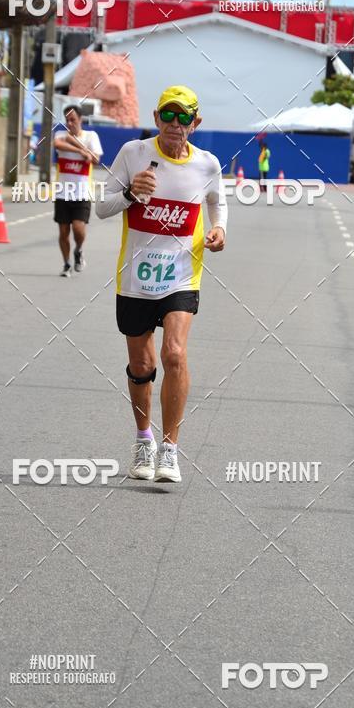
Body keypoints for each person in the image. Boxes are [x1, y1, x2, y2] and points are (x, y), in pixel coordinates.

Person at [96, 85, 227, 486]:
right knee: (143, 365)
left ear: (196, 123)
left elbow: (217, 202)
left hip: (182, 276)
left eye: (184, 117)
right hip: (135, 278)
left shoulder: (207, 164)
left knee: (174, 354)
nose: (175, 124)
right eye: (168, 116)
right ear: (156, 118)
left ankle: (170, 449)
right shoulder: (133, 154)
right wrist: (131, 193)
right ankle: (143, 439)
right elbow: (102, 207)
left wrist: (220, 228)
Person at [53, 105, 103, 276]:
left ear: (80, 119)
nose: (69, 123)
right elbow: (59, 143)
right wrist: (81, 150)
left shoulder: (91, 136)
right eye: (67, 120)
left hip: (82, 193)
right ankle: (66, 264)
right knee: (63, 231)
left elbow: (95, 159)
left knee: (78, 229)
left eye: (73, 119)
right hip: (62, 192)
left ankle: (79, 250)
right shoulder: (60, 134)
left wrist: (86, 151)